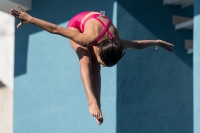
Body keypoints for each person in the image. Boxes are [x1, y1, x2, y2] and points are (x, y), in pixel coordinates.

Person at [10, 6, 174, 125]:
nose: (101, 64)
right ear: (98, 50)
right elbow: (55, 29)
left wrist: (157, 42)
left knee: (96, 67)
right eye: (103, 61)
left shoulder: (118, 43)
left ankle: (97, 104)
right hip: (78, 24)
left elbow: (137, 44)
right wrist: (30, 19)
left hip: (99, 27)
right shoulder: (87, 39)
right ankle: (91, 101)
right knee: (87, 61)